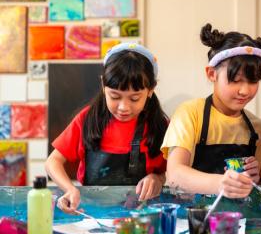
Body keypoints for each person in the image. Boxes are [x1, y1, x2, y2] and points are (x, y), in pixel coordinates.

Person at [46, 43, 169, 214]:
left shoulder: (160, 125)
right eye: (115, 96)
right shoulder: (87, 119)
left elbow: (174, 172)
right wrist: (69, 189)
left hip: (142, 216)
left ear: (150, 90)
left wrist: (158, 178)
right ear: (103, 85)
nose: (123, 107)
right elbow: (53, 162)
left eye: (134, 99)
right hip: (90, 214)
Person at [162, 24, 261, 199]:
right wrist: (221, 184)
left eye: (253, 81)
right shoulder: (190, 113)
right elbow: (175, 175)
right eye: (236, 80)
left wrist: (253, 181)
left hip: (237, 220)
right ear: (212, 74)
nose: (245, 90)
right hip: (191, 216)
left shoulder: (257, 128)